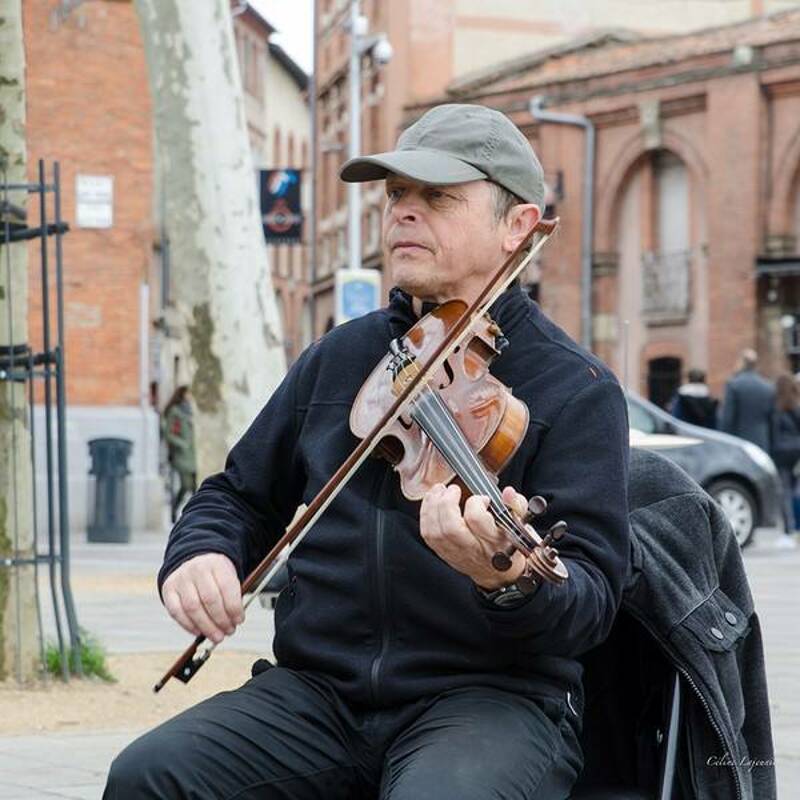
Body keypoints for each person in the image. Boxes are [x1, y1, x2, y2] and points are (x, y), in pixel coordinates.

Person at [105, 104, 630, 799]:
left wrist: (506, 581)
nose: (403, 214)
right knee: (148, 777)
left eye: (437, 197)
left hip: (492, 701)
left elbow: (591, 602)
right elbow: (235, 494)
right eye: (396, 196)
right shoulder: (341, 358)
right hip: (319, 692)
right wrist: (202, 551)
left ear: (519, 226)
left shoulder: (574, 388)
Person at [720, 348, 775, 452]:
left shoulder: (734, 385)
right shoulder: (768, 386)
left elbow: (727, 419)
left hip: (740, 441)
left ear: (741, 362)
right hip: (762, 440)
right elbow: (772, 419)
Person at [770, 373, 800, 547]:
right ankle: (797, 527)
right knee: (796, 490)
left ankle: (788, 530)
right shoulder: (796, 405)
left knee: (784, 490)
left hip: (780, 452)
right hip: (797, 451)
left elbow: (773, 432)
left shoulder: (776, 407)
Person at [163, 385, 196, 523]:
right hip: (181, 455)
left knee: (193, 486)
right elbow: (168, 434)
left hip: (191, 455)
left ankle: (192, 514)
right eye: (188, 394)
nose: (190, 396)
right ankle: (176, 511)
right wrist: (182, 444)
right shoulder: (175, 412)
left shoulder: (189, 410)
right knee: (186, 485)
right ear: (182, 394)